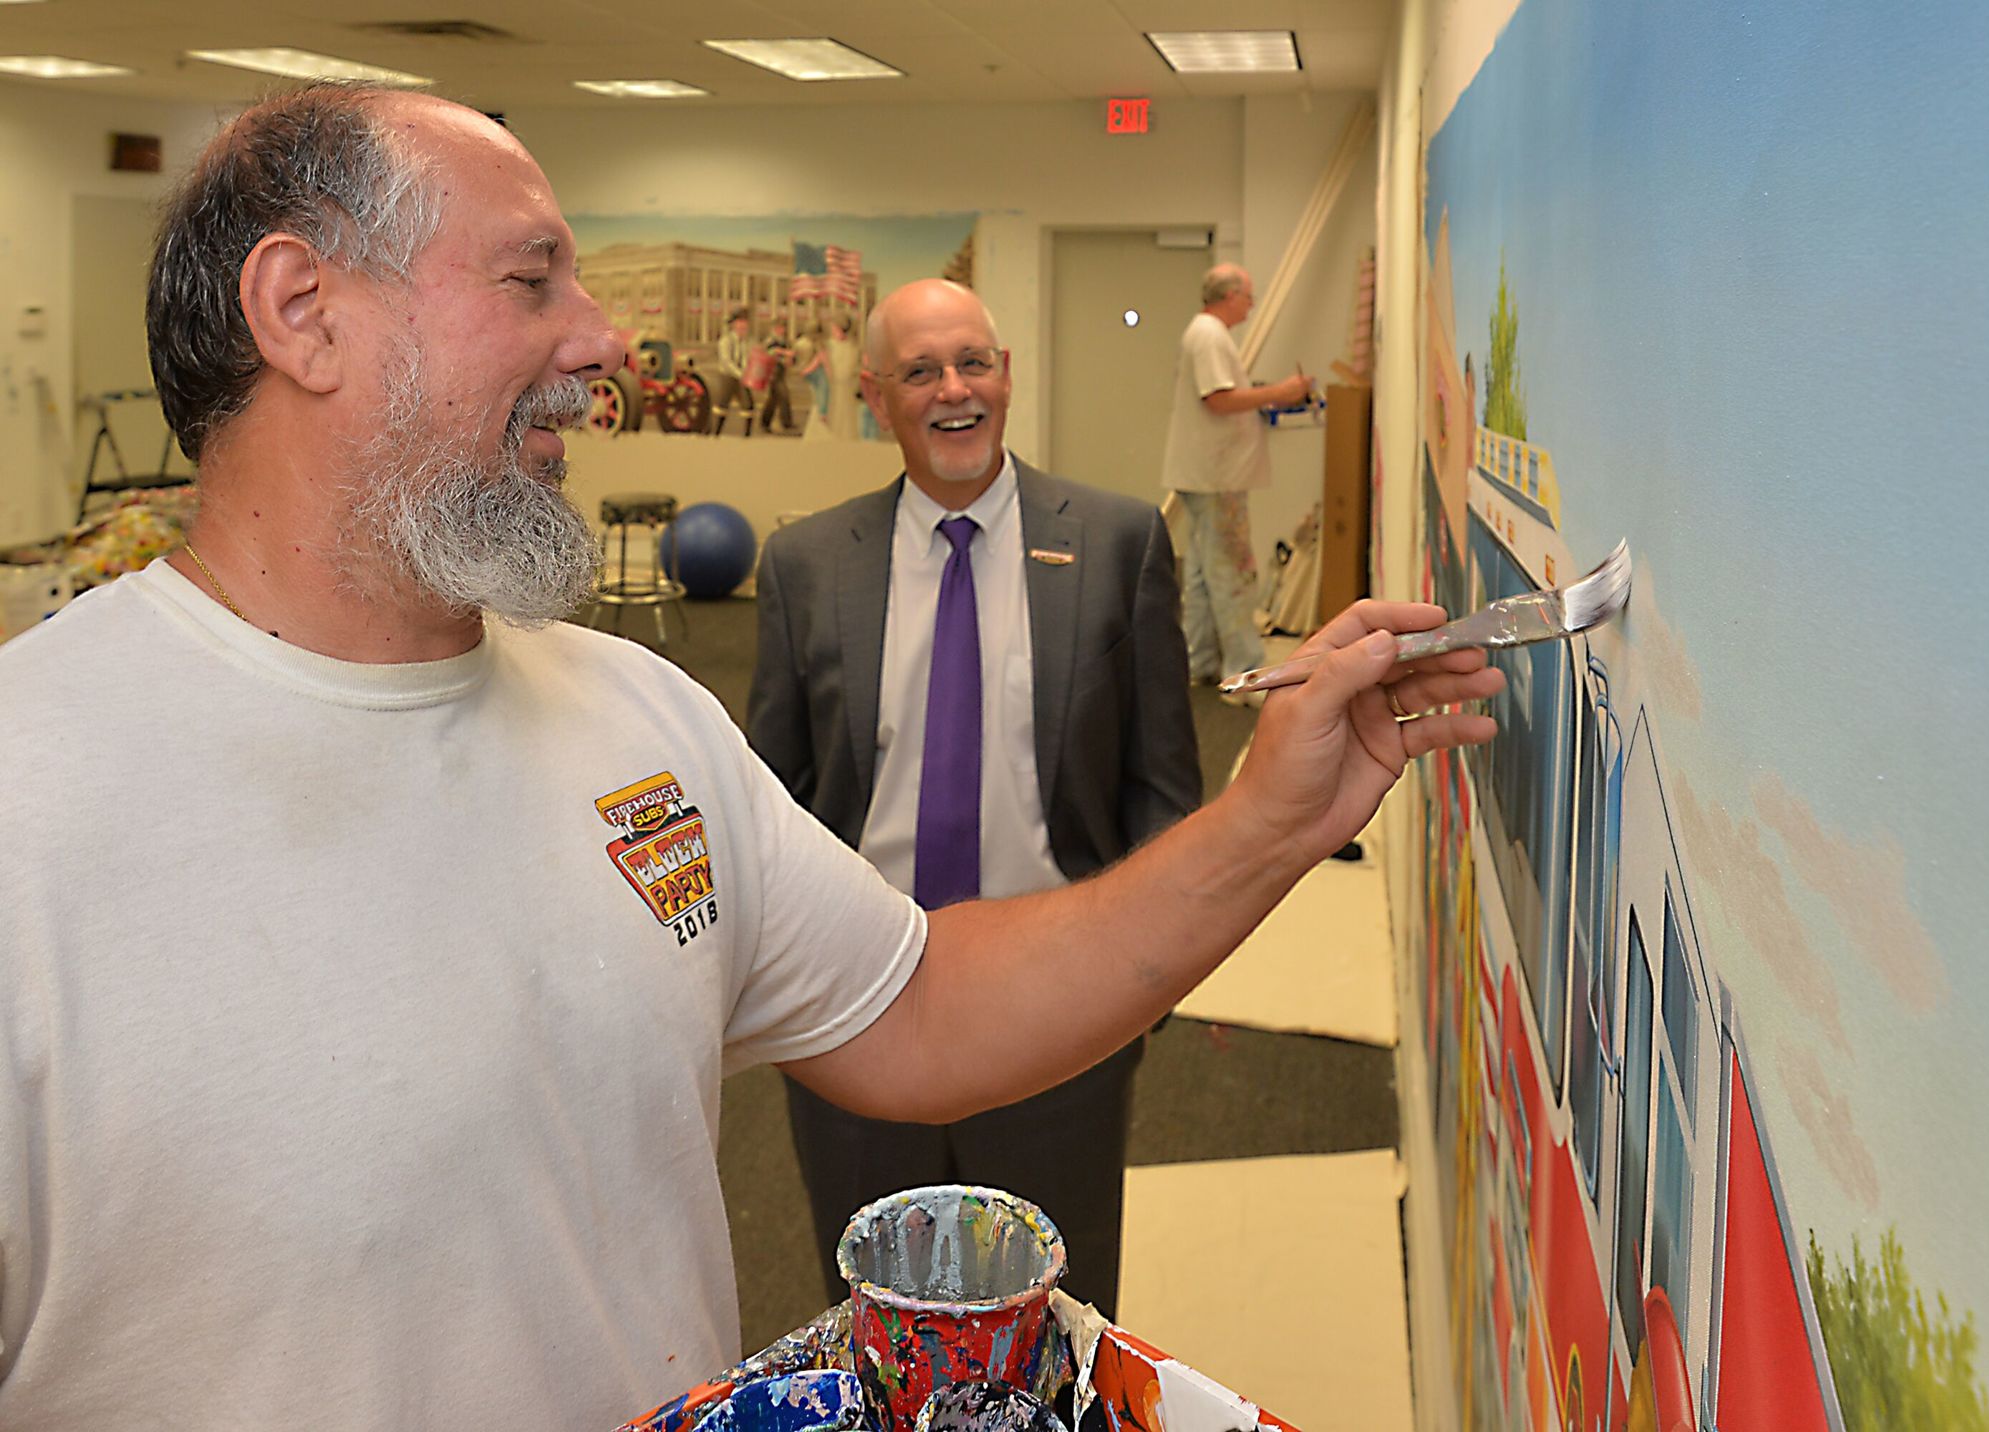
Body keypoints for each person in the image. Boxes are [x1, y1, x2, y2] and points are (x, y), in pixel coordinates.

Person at [0, 85, 1500, 1428]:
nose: (600, 339)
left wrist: (1266, 822)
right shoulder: (36, 803)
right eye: (533, 282)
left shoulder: (637, 717)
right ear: (301, 310)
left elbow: (925, 1009)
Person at [747, 280, 1200, 1317]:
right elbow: (770, 804)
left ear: (1006, 374)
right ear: (873, 395)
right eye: (919, 371)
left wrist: (1137, 984)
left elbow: (1163, 787)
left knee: (1055, 1320)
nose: (954, 390)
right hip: (858, 999)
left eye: (973, 362)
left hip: (1058, 999)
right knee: (878, 1320)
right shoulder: (806, 566)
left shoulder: (1116, 543)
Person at [1160, 264, 1313, 697]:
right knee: (1230, 572)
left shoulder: (1205, 333)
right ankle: (1244, 672)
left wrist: (1265, 396)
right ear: (1229, 295)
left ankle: (1199, 661)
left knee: (1206, 572)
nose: (1252, 303)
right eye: (1248, 295)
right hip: (1215, 475)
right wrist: (1278, 393)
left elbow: (1221, 396)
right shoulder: (1209, 335)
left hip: (1208, 473)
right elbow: (1219, 399)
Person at [710, 305, 753, 434]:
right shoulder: (726, 340)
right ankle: (716, 432)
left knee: (748, 404)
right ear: (733, 325)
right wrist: (740, 374)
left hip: (741, 375)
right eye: (740, 323)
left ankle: (747, 434)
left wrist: (745, 371)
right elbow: (726, 361)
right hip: (727, 375)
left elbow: (746, 357)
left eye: (745, 323)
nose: (743, 326)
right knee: (723, 403)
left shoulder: (745, 342)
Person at [822, 309, 862, 440]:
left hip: (844, 387)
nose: (832, 330)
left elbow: (847, 370)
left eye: (834, 328)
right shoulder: (829, 345)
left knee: (844, 417)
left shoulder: (851, 347)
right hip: (831, 387)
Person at [759, 314, 795, 433]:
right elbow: (770, 352)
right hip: (773, 372)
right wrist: (785, 354)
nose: (782, 330)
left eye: (783, 328)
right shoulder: (771, 340)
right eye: (780, 327)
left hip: (781, 372)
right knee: (784, 395)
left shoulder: (784, 341)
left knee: (773, 399)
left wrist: (788, 360)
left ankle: (765, 421)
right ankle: (787, 423)